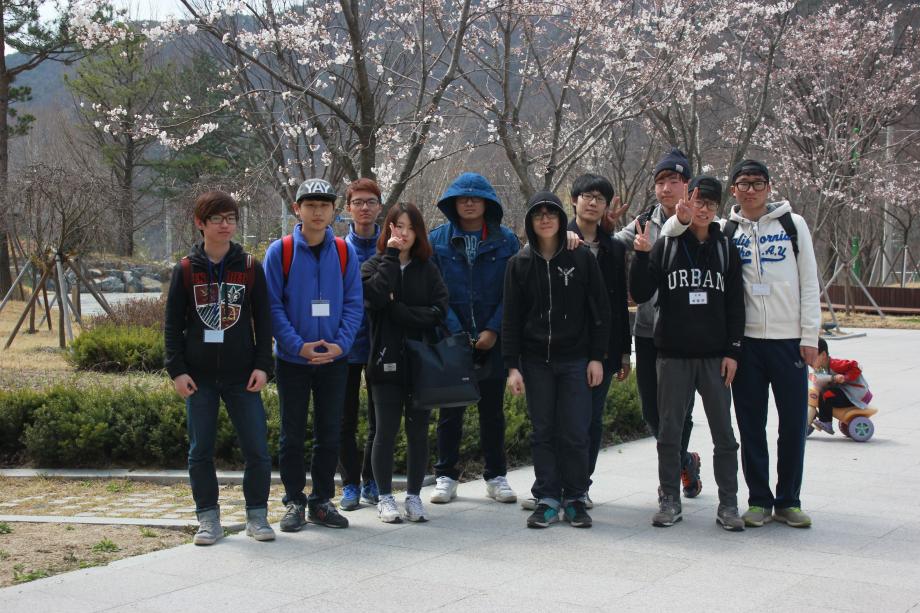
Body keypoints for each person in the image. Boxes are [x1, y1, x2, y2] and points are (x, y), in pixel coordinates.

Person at [661, 159, 822, 528]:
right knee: (751, 425)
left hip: (788, 341)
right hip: (746, 344)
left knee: (793, 425)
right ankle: (759, 500)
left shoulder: (792, 225)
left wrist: (810, 336)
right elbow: (674, 232)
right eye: (743, 183)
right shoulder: (725, 230)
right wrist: (681, 218)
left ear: (769, 187)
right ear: (733, 190)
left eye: (757, 183)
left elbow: (810, 282)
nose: (750, 190)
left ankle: (789, 500)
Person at [630, 176, 745, 531]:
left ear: (717, 208)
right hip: (673, 356)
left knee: (724, 434)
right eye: (698, 201)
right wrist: (641, 254)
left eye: (710, 203)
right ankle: (669, 499)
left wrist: (733, 351)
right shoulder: (667, 245)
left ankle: (729, 504)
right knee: (669, 432)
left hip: (714, 357)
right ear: (686, 203)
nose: (704, 209)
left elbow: (735, 305)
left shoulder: (726, 248)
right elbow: (640, 292)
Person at [164, 190, 274, 545]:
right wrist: (177, 370)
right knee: (200, 451)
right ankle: (208, 518)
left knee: (257, 449)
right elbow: (172, 326)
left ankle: (257, 516)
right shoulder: (185, 269)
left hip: (243, 376)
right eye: (217, 219)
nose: (225, 225)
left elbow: (264, 321)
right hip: (199, 380)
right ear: (200, 223)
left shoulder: (250, 267)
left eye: (230, 219)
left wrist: (263, 366)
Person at [503, 192, 611, 529]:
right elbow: (511, 319)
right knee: (543, 431)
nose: (545, 219)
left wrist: (597, 358)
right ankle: (547, 497)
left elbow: (600, 311)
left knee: (576, 430)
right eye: (539, 214)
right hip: (536, 362)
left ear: (562, 219)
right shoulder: (519, 263)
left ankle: (576, 497)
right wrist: (512, 366)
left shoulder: (581, 258)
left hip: (576, 359)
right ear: (530, 222)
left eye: (552, 213)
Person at [264, 178, 363, 531]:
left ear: (334, 210)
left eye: (324, 205)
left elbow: (354, 302)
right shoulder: (281, 251)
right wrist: (296, 345)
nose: (317, 212)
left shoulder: (344, 252)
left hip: (334, 359)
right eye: (310, 205)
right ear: (297, 209)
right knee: (291, 433)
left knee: (330, 431)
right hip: (293, 360)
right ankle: (294, 500)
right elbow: (272, 306)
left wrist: (341, 344)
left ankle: (321, 500)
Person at [610, 149, 704, 499]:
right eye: (660, 181)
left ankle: (671, 477)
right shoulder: (642, 222)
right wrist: (599, 227)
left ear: (687, 185)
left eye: (673, 181)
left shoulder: (702, 222)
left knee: (681, 410)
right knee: (652, 410)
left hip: (688, 334)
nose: (666, 188)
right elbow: (609, 245)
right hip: (648, 331)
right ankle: (684, 461)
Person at [429, 172, 520, 506]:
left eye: (476, 198)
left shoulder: (506, 241)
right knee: (449, 410)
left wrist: (493, 329)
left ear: (487, 203)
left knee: (492, 412)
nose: (469, 203)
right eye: (463, 198)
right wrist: (456, 331)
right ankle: (446, 476)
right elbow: (434, 290)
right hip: (451, 338)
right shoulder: (437, 240)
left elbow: (513, 290)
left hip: (492, 338)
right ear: (452, 203)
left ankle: (496, 476)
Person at [361, 203, 449, 523]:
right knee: (384, 431)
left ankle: (413, 496)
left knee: (418, 432)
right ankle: (385, 497)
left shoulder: (428, 269)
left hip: (421, 364)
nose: (404, 233)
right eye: (398, 226)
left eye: (410, 228)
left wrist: (399, 311)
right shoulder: (374, 265)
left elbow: (438, 311)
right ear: (388, 229)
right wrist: (390, 256)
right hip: (384, 361)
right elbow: (374, 297)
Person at [566, 174, 631, 509]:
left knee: (591, 420)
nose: (592, 203)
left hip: (602, 348)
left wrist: (624, 352)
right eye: (587, 196)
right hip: (563, 347)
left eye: (600, 198)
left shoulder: (614, 248)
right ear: (573, 200)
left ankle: (580, 485)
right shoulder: (556, 240)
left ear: (606, 206)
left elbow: (619, 303)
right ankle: (552, 485)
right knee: (562, 419)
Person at [338, 178, 383, 511]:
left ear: (379, 206)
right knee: (345, 419)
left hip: (382, 344)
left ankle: (372, 478)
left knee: (380, 418)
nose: (364, 208)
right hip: (346, 345)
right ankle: (350, 483)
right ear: (348, 208)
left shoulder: (392, 246)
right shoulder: (338, 249)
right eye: (358, 202)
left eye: (370, 202)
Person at [812, 338, 872, 435]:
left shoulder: (835, 364)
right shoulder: (821, 368)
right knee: (823, 391)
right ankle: (825, 420)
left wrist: (846, 377)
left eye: (812, 357)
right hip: (846, 392)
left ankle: (826, 422)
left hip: (856, 394)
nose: (809, 360)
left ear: (823, 355)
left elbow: (856, 366)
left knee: (826, 394)